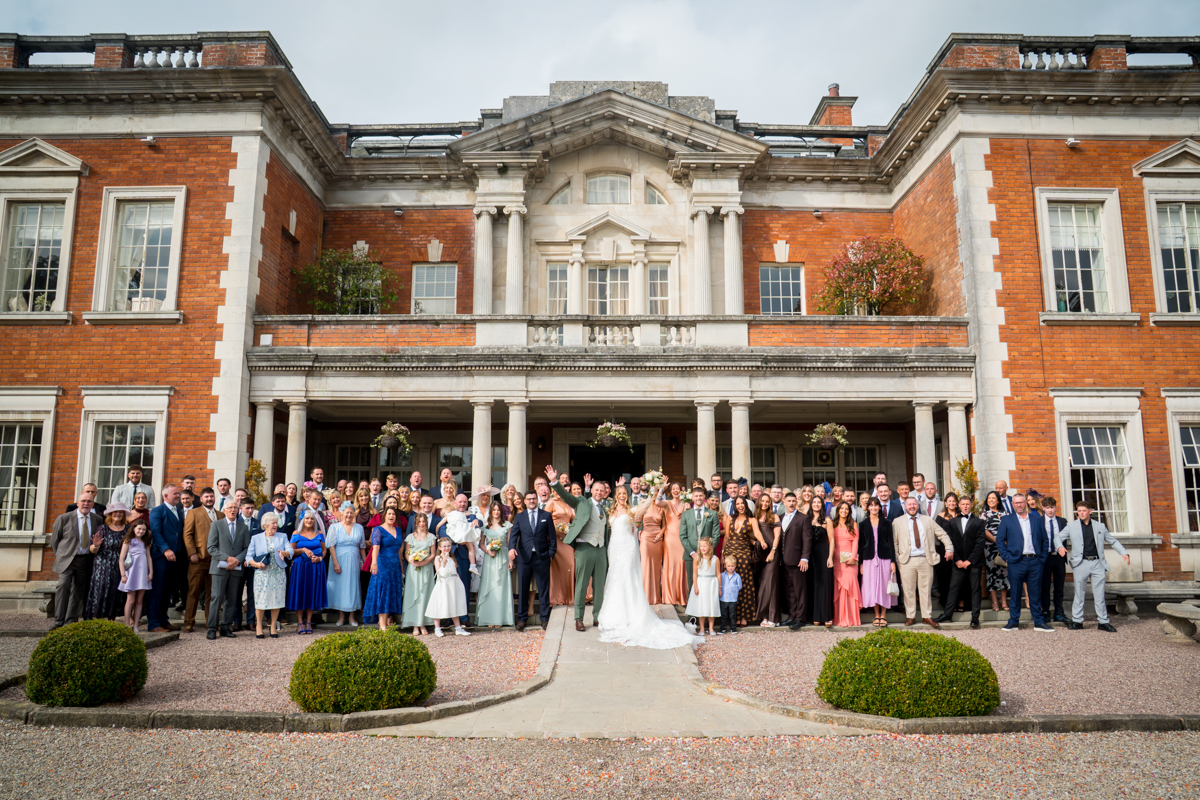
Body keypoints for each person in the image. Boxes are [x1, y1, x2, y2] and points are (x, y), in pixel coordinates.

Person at [595, 484, 700, 648]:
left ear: (627, 496)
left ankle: (631, 615)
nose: (622, 496)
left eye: (624, 494)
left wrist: (657, 492)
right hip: (614, 548)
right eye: (620, 493)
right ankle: (614, 614)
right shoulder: (610, 510)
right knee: (615, 578)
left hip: (627, 548)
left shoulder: (632, 510)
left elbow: (646, 505)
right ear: (616, 496)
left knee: (628, 578)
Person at [547, 465, 609, 633]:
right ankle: (579, 619)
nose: (598, 492)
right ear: (592, 490)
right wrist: (554, 481)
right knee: (581, 584)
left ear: (604, 493)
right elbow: (567, 497)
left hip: (601, 549)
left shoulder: (605, 509)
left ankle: (597, 617)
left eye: (601, 490)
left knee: (599, 585)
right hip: (584, 548)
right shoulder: (581, 501)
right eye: (596, 489)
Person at [1056, 500, 1129, 632]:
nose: (1081, 513)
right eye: (1078, 511)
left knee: (1099, 593)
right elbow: (1057, 537)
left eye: (1084, 510)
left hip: (1098, 563)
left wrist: (1124, 553)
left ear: (1090, 511)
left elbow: (1113, 541)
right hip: (1080, 563)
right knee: (1079, 593)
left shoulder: (1100, 526)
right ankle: (1077, 621)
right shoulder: (1071, 526)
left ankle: (1103, 622)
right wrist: (1060, 547)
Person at [891, 495, 954, 627]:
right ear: (905, 506)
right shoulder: (897, 522)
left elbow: (942, 534)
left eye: (914, 504)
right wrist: (897, 558)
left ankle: (927, 616)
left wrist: (949, 548)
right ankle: (910, 616)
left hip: (926, 559)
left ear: (917, 506)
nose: (912, 506)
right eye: (909, 504)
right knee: (908, 590)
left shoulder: (927, 520)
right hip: (906, 561)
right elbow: (894, 542)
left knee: (925, 589)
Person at [996, 493, 1052, 632]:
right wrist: (1006, 557)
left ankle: (1039, 622)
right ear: (1013, 504)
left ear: (1025, 503)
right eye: (1015, 503)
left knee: (1034, 593)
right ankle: (1013, 622)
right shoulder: (1007, 520)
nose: (1018, 505)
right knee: (1015, 592)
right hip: (1016, 561)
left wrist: (1042, 557)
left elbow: (1045, 540)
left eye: (1021, 502)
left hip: (1035, 561)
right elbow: (1000, 540)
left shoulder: (1036, 519)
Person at [509, 489, 556, 631]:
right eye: (529, 499)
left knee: (543, 589)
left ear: (537, 499)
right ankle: (522, 619)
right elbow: (514, 536)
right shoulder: (520, 517)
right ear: (525, 501)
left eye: (534, 498)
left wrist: (551, 553)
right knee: (523, 589)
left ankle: (544, 619)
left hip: (542, 557)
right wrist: (511, 548)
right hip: (524, 557)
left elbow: (552, 538)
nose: (531, 501)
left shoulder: (546, 515)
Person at [936, 495, 987, 627]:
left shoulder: (978, 522)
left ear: (971, 505)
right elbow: (951, 542)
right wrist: (958, 560)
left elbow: (980, 544)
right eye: (963, 504)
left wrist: (969, 561)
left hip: (974, 562)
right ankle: (947, 614)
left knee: (975, 589)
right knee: (953, 588)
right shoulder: (953, 522)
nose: (965, 506)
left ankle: (975, 617)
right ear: (959, 505)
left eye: (967, 504)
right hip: (958, 562)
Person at [205, 500, 250, 640]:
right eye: (230, 508)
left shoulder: (243, 527)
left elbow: (247, 548)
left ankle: (225, 626)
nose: (232, 510)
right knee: (216, 598)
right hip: (219, 568)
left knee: (231, 599)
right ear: (224, 510)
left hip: (236, 568)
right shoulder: (216, 525)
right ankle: (212, 628)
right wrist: (227, 558)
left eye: (235, 508)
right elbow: (211, 547)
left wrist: (236, 560)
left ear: (239, 510)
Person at [244, 511, 292, 638]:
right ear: (265, 525)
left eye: (276, 522)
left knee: (276, 600)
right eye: (273, 523)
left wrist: (285, 553)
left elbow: (290, 549)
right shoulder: (256, 538)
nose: (276, 525)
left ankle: (273, 627)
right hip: (262, 574)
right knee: (261, 600)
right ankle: (259, 626)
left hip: (278, 573)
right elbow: (248, 556)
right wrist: (256, 564)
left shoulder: (282, 536)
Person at [146, 484, 184, 633]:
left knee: (168, 591)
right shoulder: (157, 511)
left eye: (178, 493)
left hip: (175, 558)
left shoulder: (179, 512)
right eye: (175, 493)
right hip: (161, 557)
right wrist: (166, 549)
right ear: (166, 496)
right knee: (157, 590)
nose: (178, 496)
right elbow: (155, 532)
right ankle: (153, 624)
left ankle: (163, 620)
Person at [181, 488, 218, 633]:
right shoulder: (193, 513)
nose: (209, 499)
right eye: (206, 497)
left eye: (211, 496)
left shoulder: (221, 515)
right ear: (201, 499)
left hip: (215, 560)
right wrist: (192, 553)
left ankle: (211, 622)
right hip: (198, 559)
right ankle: (189, 622)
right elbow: (187, 534)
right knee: (193, 591)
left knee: (212, 593)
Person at [84, 501, 129, 621]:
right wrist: (96, 545)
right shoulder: (102, 528)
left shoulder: (128, 529)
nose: (117, 514)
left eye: (120, 512)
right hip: (102, 566)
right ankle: (98, 619)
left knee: (116, 592)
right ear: (110, 514)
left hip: (120, 566)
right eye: (115, 512)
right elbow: (92, 550)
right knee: (101, 591)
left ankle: (111, 619)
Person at [364, 506, 405, 630]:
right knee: (383, 593)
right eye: (389, 514)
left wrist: (401, 568)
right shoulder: (378, 530)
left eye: (393, 514)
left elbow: (400, 551)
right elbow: (375, 547)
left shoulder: (398, 530)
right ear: (384, 516)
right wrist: (374, 563)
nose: (391, 516)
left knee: (391, 592)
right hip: (382, 565)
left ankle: (387, 622)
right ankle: (382, 625)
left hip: (395, 566)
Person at [858, 496, 896, 627]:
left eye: (876, 505)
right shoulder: (863, 524)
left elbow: (891, 543)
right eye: (871, 505)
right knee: (872, 587)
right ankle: (876, 615)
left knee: (884, 586)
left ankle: (884, 615)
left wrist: (893, 561)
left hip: (884, 558)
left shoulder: (887, 523)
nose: (874, 508)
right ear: (867, 507)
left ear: (879, 507)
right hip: (868, 559)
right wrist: (861, 563)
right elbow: (861, 544)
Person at [287, 513, 327, 635]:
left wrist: (320, 559)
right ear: (302, 520)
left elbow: (324, 550)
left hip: (315, 566)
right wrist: (303, 549)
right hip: (300, 567)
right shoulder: (296, 533)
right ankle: (300, 622)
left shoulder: (320, 533)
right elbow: (290, 551)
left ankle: (308, 621)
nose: (309, 520)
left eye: (312, 519)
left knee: (311, 593)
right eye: (307, 518)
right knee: (300, 592)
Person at [476, 502, 514, 629]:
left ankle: (500, 618)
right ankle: (489, 618)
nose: (496, 512)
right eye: (494, 510)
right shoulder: (486, 527)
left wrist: (510, 560)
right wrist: (488, 550)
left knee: (500, 587)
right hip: (490, 559)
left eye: (498, 510)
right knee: (490, 587)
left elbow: (509, 545)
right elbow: (481, 544)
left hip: (502, 557)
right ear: (491, 511)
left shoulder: (507, 526)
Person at [326, 503, 365, 626]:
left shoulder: (359, 528)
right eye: (346, 512)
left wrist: (365, 562)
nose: (349, 515)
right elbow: (331, 547)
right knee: (340, 587)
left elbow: (362, 547)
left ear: (354, 514)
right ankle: (341, 616)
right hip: (338, 560)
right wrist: (336, 563)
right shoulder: (335, 527)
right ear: (342, 513)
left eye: (351, 512)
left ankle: (352, 617)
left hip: (353, 560)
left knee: (353, 586)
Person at [778, 492, 812, 630]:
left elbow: (807, 540)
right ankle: (792, 616)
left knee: (800, 590)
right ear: (784, 502)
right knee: (789, 590)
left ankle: (800, 618)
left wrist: (805, 558)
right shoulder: (780, 518)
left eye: (793, 501)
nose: (791, 503)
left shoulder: (803, 518)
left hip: (798, 560)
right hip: (783, 561)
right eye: (789, 501)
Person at [400, 512, 437, 635]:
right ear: (416, 523)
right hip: (413, 569)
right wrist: (412, 560)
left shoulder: (431, 537)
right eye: (419, 522)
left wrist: (424, 561)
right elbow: (406, 552)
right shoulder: (410, 536)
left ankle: (423, 623)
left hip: (426, 568)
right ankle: (415, 624)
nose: (422, 524)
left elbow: (433, 554)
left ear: (426, 523)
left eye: (424, 521)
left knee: (425, 595)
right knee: (414, 594)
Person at [680, 486, 719, 597]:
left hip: (709, 555)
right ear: (692, 497)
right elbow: (683, 535)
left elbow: (715, 535)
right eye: (696, 496)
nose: (698, 498)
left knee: (708, 582)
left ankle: (707, 609)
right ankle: (693, 613)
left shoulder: (712, 514)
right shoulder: (686, 514)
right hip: (690, 554)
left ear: (704, 497)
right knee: (692, 582)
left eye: (700, 496)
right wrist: (692, 553)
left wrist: (707, 552)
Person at [426, 537, 470, 637]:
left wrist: (460, 583)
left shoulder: (452, 558)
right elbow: (439, 572)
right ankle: (437, 628)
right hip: (443, 584)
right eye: (444, 546)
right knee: (440, 604)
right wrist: (443, 563)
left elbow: (455, 572)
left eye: (449, 546)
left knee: (454, 604)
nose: (447, 548)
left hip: (453, 584)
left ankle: (458, 628)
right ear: (440, 547)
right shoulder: (438, 558)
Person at [830, 502, 862, 627]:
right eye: (842, 508)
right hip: (837, 559)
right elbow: (829, 540)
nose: (844, 511)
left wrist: (853, 557)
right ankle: (839, 618)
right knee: (838, 589)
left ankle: (851, 618)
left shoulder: (853, 524)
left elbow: (855, 541)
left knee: (850, 587)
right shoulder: (832, 524)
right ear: (837, 510)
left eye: (846, 509)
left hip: (850, 560)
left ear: (849, 511)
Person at [545, 479, 577, 606]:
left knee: (571, 565)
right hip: (555, 539)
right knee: (557, 568)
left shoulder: (568, 503)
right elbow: (545, 520)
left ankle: (569, 597)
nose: (558, 493)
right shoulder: (551, 502)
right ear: (553, 491)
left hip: (568, 540)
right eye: (556, 490)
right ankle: (557, 597)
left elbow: (574, 519)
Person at [116, 520, 152, 631]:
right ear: (134, 529)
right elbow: (121, 559)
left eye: (143, 529)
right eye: (139, 529)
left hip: (143, 574)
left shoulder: (145, 542)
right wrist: (123, 575)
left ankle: (136, 624)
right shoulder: (128, 541)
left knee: (139, 600)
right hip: (131, 573)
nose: (141, 531)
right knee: (130, 600)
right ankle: (127, 623)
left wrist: (151, 572)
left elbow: (148, 557)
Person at [1039, 496, 1070, 623]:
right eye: (1047, 508)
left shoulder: (1062, 521)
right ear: (1043, 508)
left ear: (1055, 507)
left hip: (1059, 557)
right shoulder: (1039, 521)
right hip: (1045, 557)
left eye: (1052, 507)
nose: (1050, 510)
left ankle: (1059, 612)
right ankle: (1045, 611)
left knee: (1059, 586)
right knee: (1044, 586)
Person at [437, 492, 482, 577]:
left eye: (464, 502)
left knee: (464, 581)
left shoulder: (471, 516)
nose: (462, 504)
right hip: (450, 551)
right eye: (460, 502)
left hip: (464, 554)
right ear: (455, 503)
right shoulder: (450, 515)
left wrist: (477, 521)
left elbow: (480, 523)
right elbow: (442, 531)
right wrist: (457, 539)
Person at [806, 496, 835, 627]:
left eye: (819, 502)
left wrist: (830, 557)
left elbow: (832, 539)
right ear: (811, 504)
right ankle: (816, 616)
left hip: (823, 553)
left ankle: (826, 616)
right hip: (810, 555)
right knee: (813, 584)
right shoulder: (806, 520)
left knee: (825, 584)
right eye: (814, 502)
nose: (816, 504)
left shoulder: (827, 520)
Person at [636, 484, 667, 605]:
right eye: (653, 491)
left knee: (656, 567)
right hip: (646, 537)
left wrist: (661, 534)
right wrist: (638, 527)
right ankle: (645, 595)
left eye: (657, 491)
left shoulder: (662, 507)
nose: (654, 493)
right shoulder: (645, 504)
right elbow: (639, 522)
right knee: (645, 565)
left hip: (657, 538)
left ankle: (655, 596)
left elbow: (664, 525)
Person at [755, 502, 784, 627]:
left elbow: (777, 537)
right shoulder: (754, 517)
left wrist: (773, 551)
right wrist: (756, 544)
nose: (764, 503)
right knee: (762, 584)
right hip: (760, 554)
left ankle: (772, 617)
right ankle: (765, 616)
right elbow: (751, 535)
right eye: (763, 501)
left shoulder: (774, 516)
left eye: (767, 501)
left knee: (770, 584)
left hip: (772, 554)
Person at [981, 490, 1010, 612]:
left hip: (1005, 548)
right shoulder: (984, 514)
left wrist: (1007, 542)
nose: (991, 500)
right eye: (989, 498)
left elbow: (1011, 529)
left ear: (998, 500)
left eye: (993, 498)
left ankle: (1003, 600)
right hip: (990, 548)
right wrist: (996, 541)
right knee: (992, 573)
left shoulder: (1005, 513)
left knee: (1004, 573)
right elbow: (984, 530)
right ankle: (994, 601)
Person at [686, 537, 720, 635]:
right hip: (701, 583)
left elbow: (718, 574)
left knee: (711, 605)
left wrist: (719, 587)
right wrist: (696, 586)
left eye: (705, 546)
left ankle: (711, 628)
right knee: (701, 606)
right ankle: (701, 629)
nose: (703, 548)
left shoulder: (715, 559)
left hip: (711, 584)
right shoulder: (697, 558)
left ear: (710, 546)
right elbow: (695, 574)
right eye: (701, 546)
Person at [932, 491, 959, 613]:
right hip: (944, 551)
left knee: (958, 578)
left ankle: (958, 602)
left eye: (954, 501)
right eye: (949, 501)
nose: (952, 503)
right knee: (945, 577)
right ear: (946, 503)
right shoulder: (940, 516)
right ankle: (946, 603)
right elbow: (937, 534)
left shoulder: (961, 515)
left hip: (960, 550)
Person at [719, 554, 742, 634]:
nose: (730, 568)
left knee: (732, 615)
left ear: (735, 566)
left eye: (732, 566)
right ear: (725, 566)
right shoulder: (722, 576)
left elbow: (739, 586)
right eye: (728, 566)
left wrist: (733, 590)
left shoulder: (737, 576)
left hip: (733, 599)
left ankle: (733, 628)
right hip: (723, 599)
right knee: (723, 615)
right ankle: (723, 628)